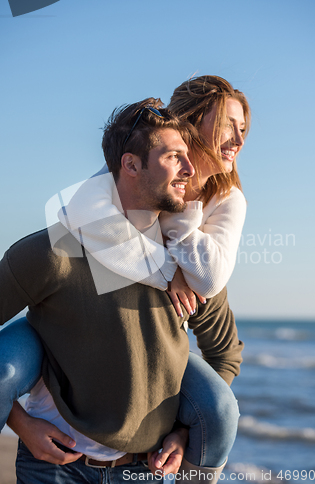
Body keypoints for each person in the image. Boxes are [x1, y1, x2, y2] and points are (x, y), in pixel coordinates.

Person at [0, 76, 249, 482]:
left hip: (140, 471)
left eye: (191, 157)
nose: (191, 172)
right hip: (53, 467)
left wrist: (186, 433)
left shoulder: (191, 265)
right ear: (131, 165)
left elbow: (225, 353)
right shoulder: (56, 249)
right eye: (174, 157)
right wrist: (20, 424)